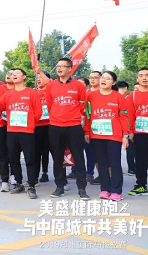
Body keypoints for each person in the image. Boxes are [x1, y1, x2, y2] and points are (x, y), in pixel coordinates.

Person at [42, 57, 90, 200]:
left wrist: (73, 116)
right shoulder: (51, 86)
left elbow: (82, 104)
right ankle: (59, 186)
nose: (59, 68)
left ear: (70, 68)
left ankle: (82, 188)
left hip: (74, 126)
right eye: (58, 66)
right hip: (55, 126)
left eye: (63, 66)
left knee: (78, 157)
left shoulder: (78, 86)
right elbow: (49, 104)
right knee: (57, 157)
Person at [0, 68, 42, 199]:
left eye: (17, 73)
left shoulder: (31, 92)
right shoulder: (8, 94)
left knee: (30, 159)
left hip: (27, 131)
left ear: (24, 77)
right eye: (12, 74)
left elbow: (38, 112)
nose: (14, 75)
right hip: (12, 131)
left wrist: (29, 123)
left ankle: (31, 186)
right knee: (13, 159)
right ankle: (19, 183)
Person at [84, 71, 129, 201]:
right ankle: (105, 189)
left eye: (108, 78)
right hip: (96, 135)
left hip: (114, 136)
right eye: (102, 77)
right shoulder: (91, 96)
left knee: (114, 163)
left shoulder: (119, 97)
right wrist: (87, 131)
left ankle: (116, 191)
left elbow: (123, 116)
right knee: (101, 163)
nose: (103, 80)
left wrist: (125, 135)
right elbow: (88, 115)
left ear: (113, 82)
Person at [126, 68, 148, 196]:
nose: (144, 78)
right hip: (140, 132)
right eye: (141, 76)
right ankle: (141, 186)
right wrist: (130, 131)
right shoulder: (132, 95)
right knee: (140, 160)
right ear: (137, 79)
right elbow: (130, 115)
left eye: (147, 75)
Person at [34, 68, 51, 183]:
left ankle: (46, 173)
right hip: (37, 126)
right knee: (36, 152)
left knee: (48, 151)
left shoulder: (51, 91)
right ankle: (34, 176)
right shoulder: (33, 92)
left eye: (41, 77)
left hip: (50, 125)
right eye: (37, 78)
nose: (39, 79)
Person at [117, 81, 135, 175]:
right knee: (129, 149)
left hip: (115, 128)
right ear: (126, 89)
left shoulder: (114, 97)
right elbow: (129, 116)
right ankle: (131, 168)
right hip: (126, 127)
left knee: (116, 150)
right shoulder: (128, 98)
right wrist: (130, 130)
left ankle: (117, 169)